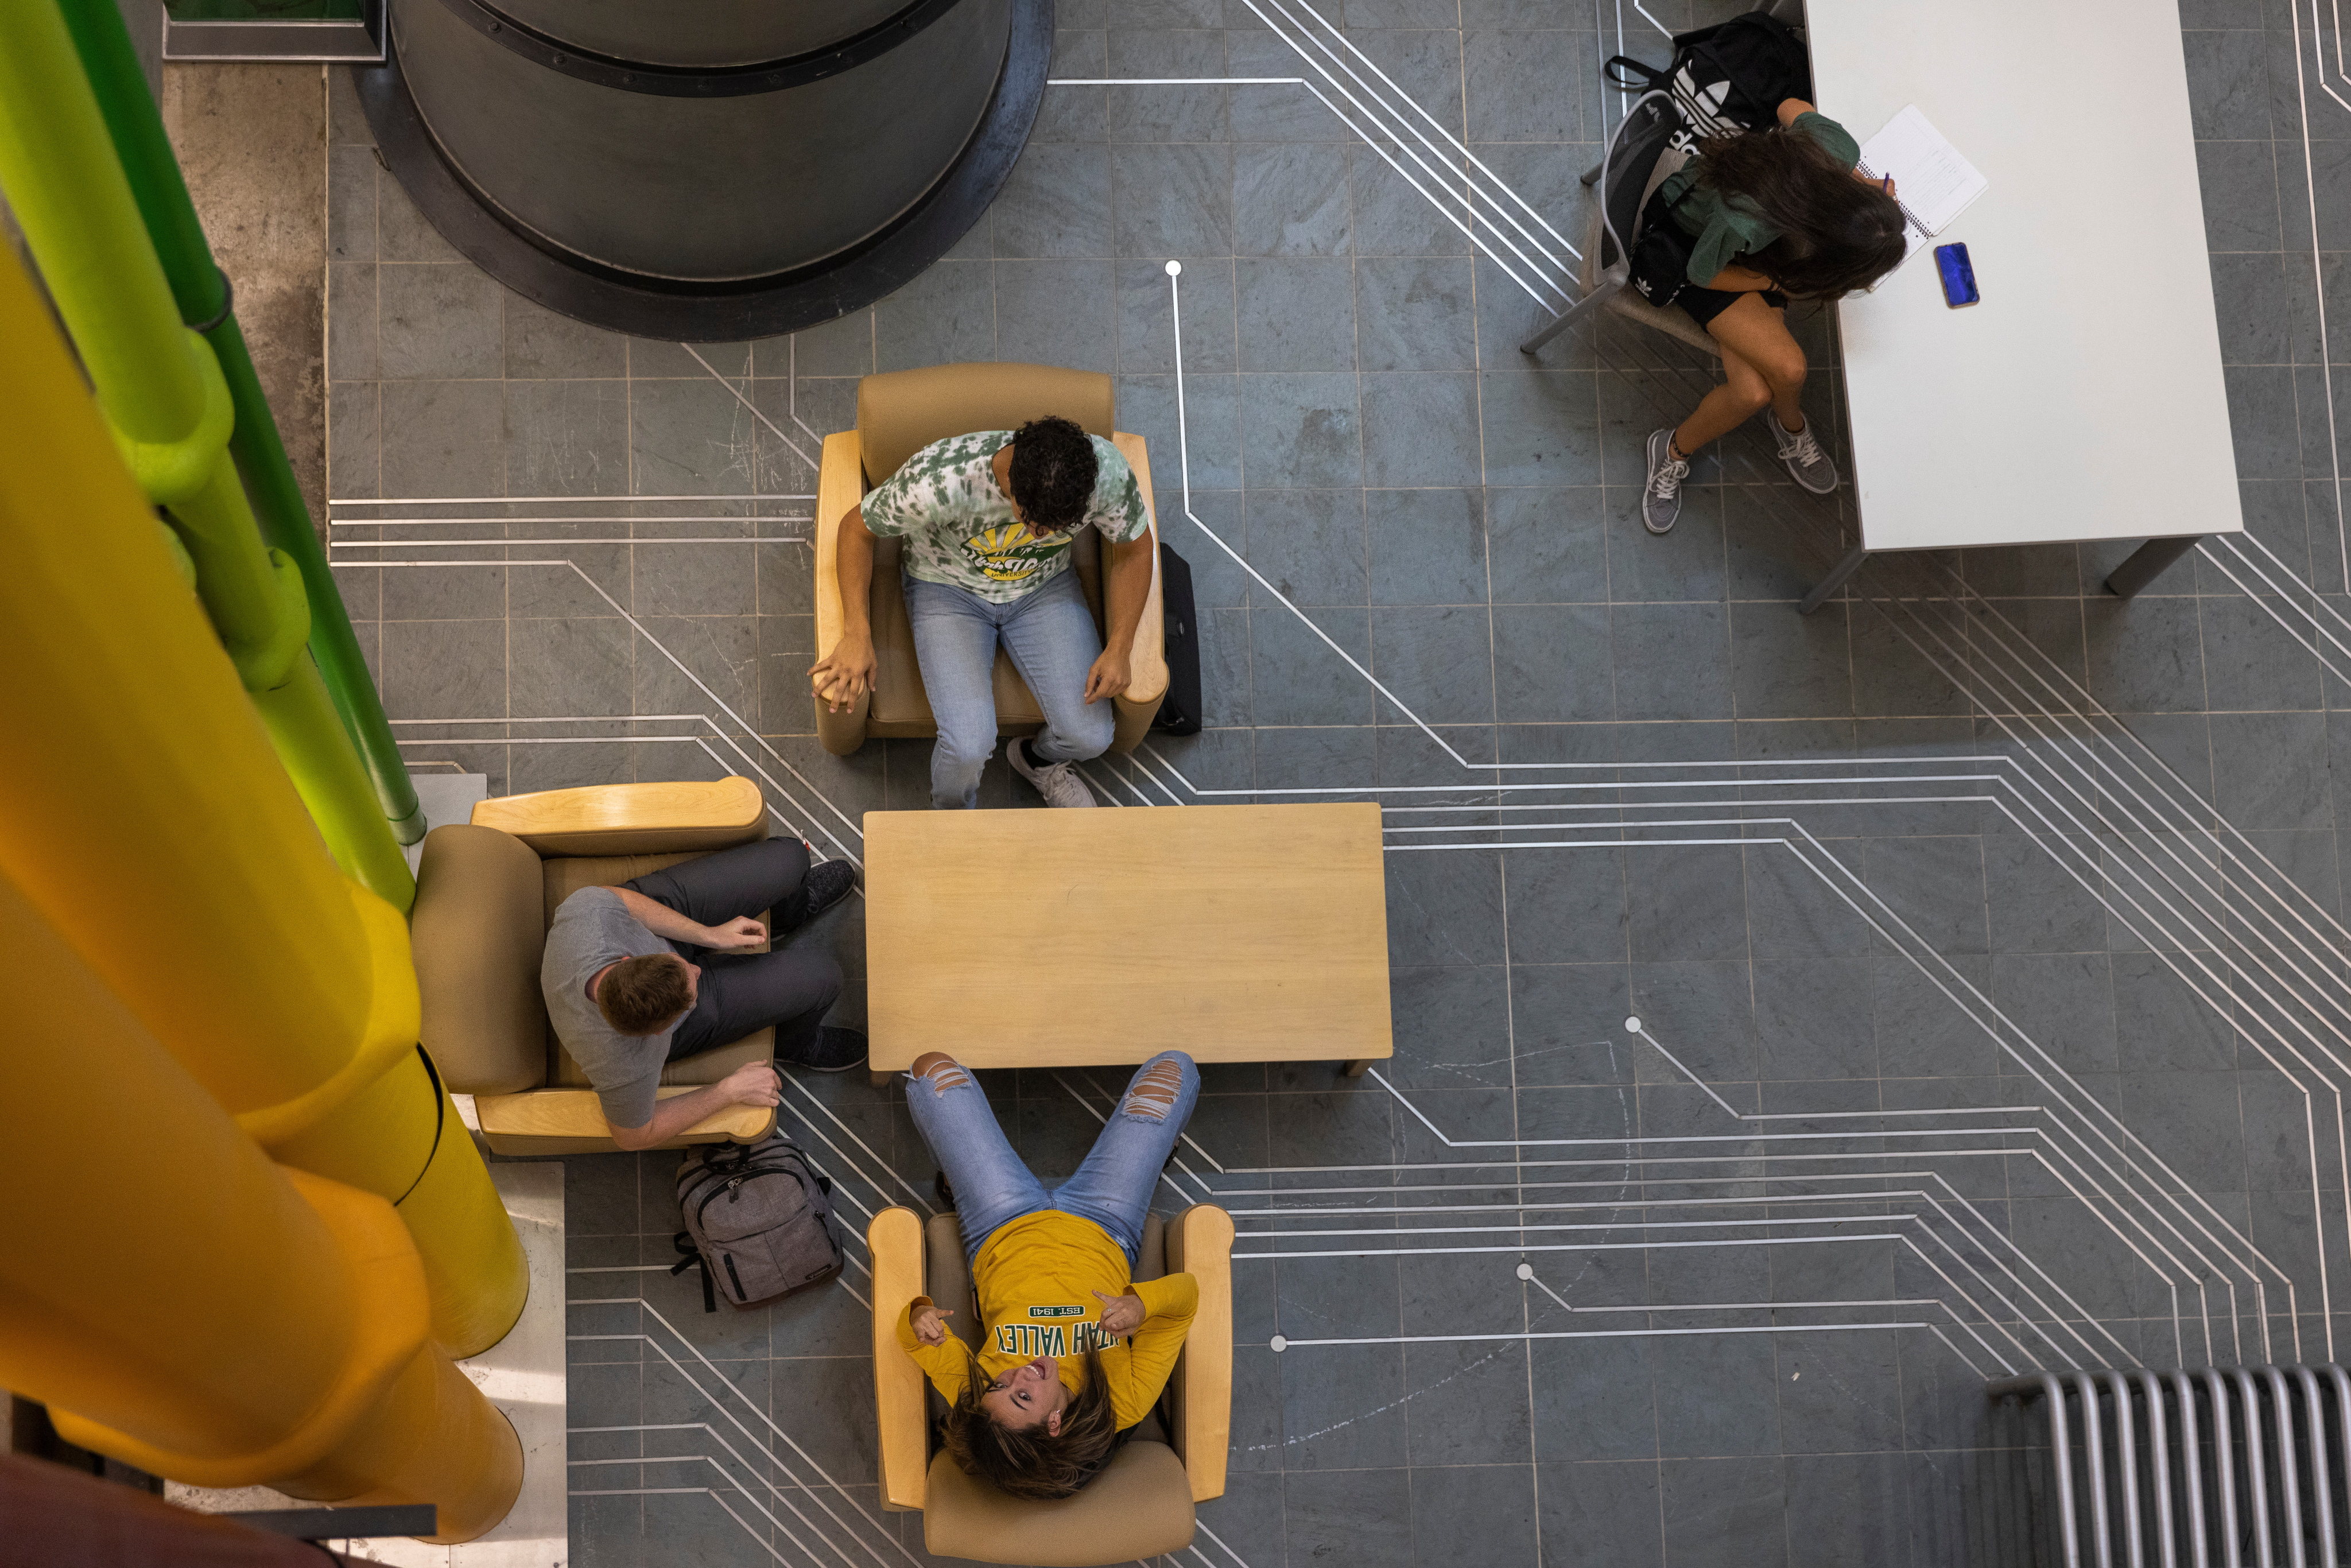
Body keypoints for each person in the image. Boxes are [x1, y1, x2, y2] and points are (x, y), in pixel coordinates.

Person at [894, 1050, 1202, 1500]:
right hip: (1106, 1223)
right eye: (1023, 1397)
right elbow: (1187, 1299)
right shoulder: (1123, 1402)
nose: (1015, 1376)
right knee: (1174, 1070)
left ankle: (956, 1185)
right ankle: (1154, 1156)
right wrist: (1142, 1305)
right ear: (1054, 1424)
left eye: (1001, 1385)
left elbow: (910, 1338)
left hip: (998, 1224)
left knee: (931, 1073)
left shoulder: (979, 1398)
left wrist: (920, 1317)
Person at [808, 415, 1154, 810]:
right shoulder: (939, 479)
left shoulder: (1103, 471)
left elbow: (1136, 551)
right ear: (1010, 484)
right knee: (967, 746)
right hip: (947, 591)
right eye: (1034, 523)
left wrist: (1121, 645)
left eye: (1060, 528)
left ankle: (1038, 762)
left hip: (1044, 588)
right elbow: (856, 530)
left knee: (1091, 737)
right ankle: (952, 816)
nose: (1041, 535)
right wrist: (857, 631)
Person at [1638, 96, 1908, 536]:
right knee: (1771, 380)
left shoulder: (1839, 152)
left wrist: (1863, 193)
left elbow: (1786, 106)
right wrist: (1775, 286)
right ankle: (1671, 452)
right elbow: (1702, 273)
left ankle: (1788, 426)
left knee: (1768, 382)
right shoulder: (1745, 222)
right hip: (1695, 248)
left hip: (1762, 246)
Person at [540, 836, 865, 1150]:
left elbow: (620, 899)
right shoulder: (622, 1062)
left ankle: (787, 913)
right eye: (692, 989)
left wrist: (710, 936)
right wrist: (727, 1092)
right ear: (659, 1032)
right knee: (824, 976)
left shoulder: (588, 917)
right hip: (671, 1021)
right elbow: (632, 1137)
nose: (696, 969)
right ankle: (796, 1044)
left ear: (628, 959)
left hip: (660, 926)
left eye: (684, 968)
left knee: (792, 857)